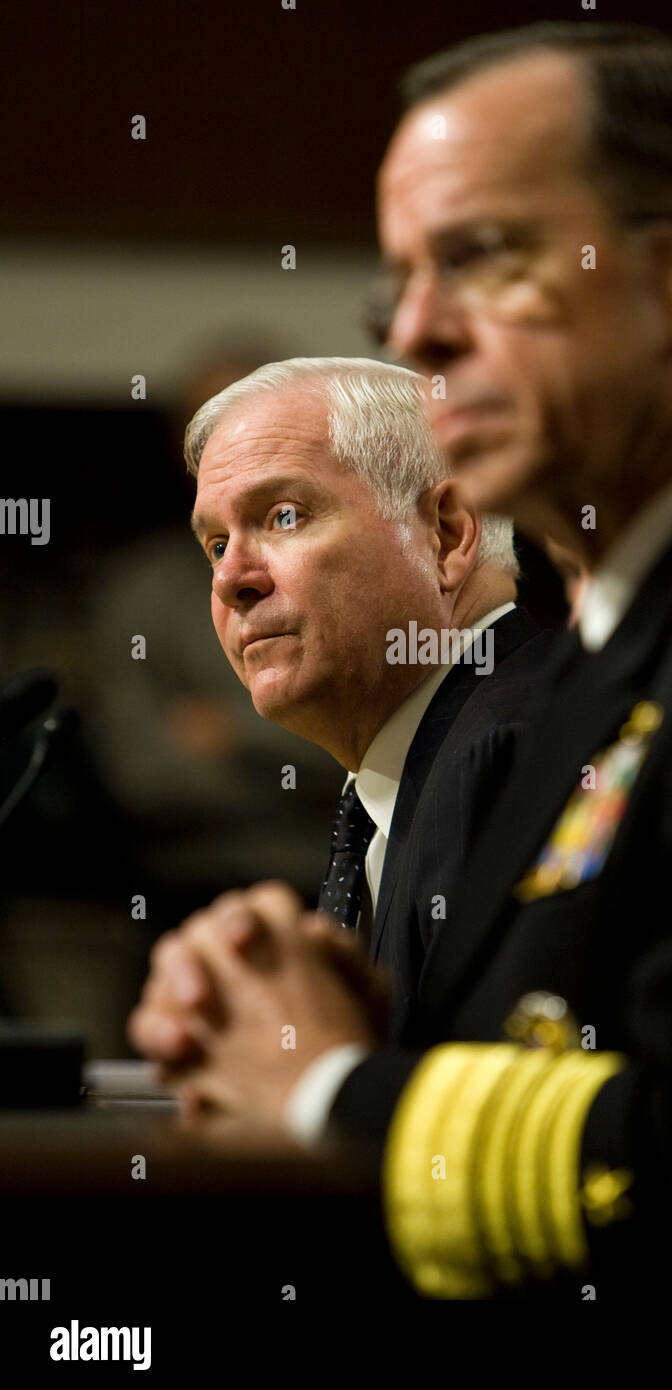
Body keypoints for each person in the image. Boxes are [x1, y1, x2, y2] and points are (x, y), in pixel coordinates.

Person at [128, 24, 672, 1306]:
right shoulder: (623, 638)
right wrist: (335, 1016)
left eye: (482, 260)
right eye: (400, 290)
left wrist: (319, 1089)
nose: (419, 330)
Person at [128, 356, 552, 1107]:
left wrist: (313, 1094)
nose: (231, 580)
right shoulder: (429, 754)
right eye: (216, 544)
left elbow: (479, 1139)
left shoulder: (502, 753)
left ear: (447, 533)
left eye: (283, 516)